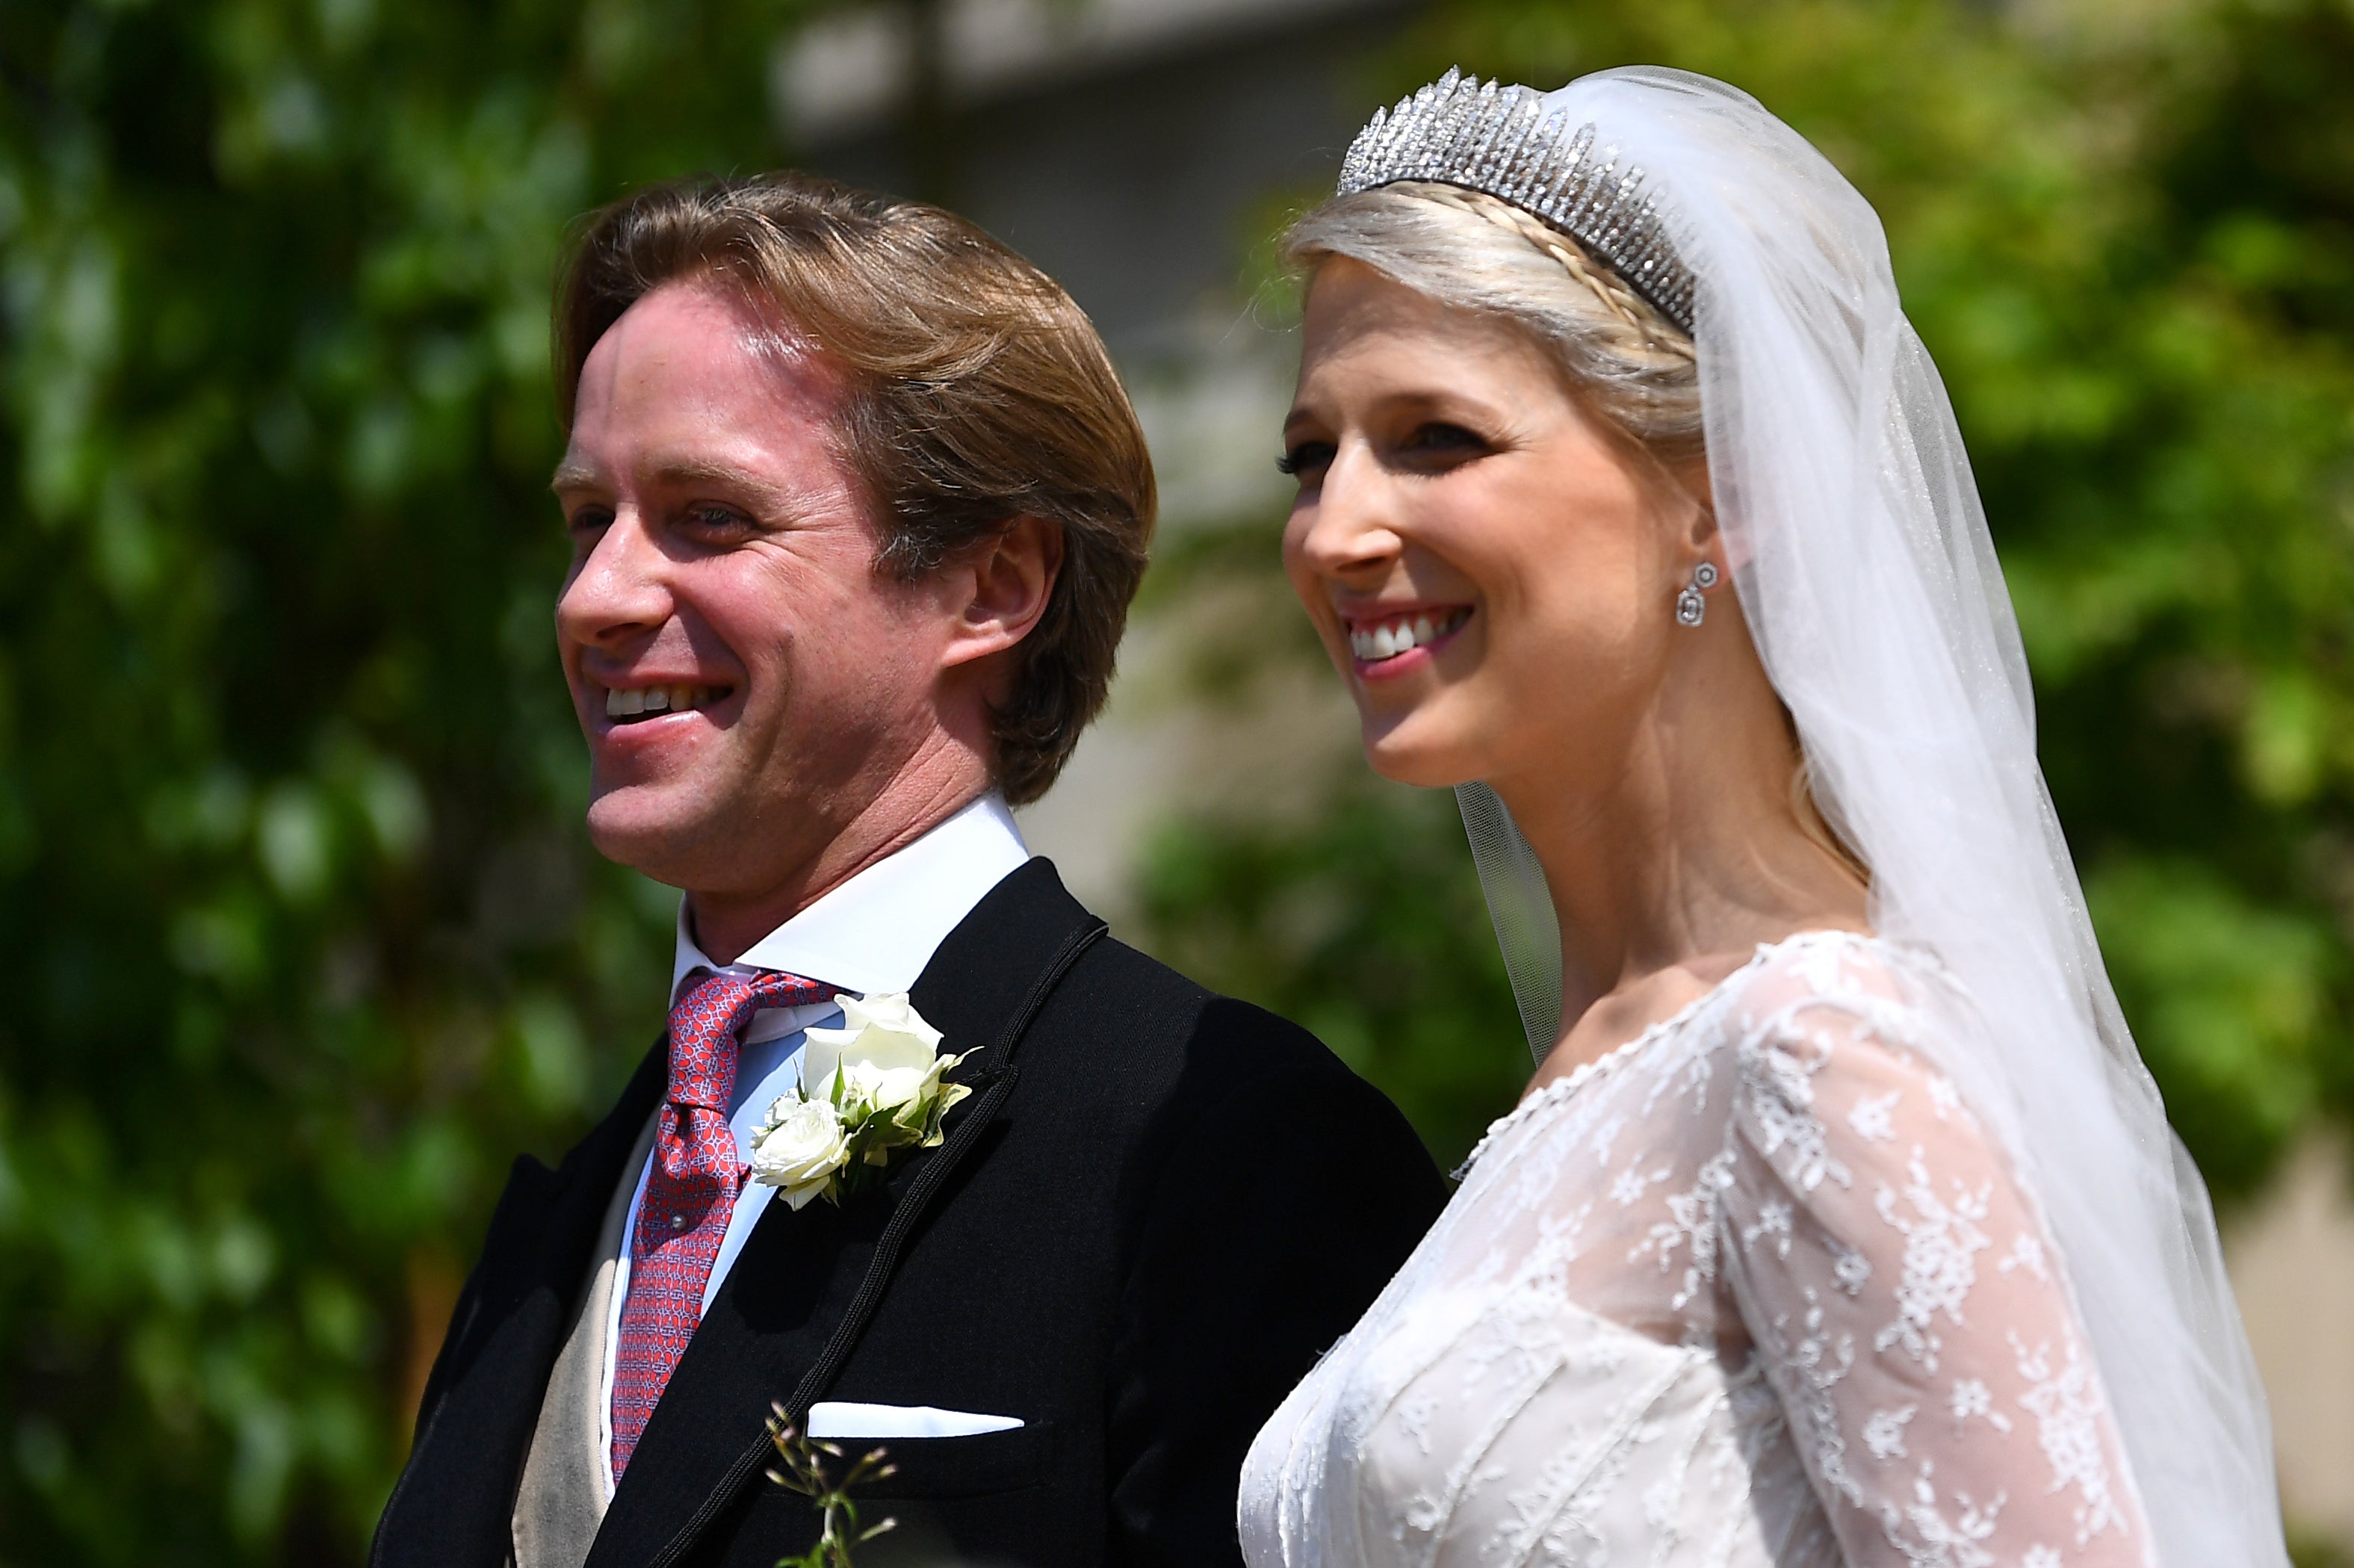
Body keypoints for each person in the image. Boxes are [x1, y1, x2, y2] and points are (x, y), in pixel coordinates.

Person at [1238, 67, 2288, 1568]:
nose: (1335, 530)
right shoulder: (1566, 1092)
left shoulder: (1819, 1050)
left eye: (1436, 439)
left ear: (1717, 490)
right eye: (1309, 456)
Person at [371, 173, 1446, 1568]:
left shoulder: (1228, 1145)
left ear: (992, 587)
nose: (594, 600)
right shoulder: (553, 1230)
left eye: (708, 517)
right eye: (591, 520)